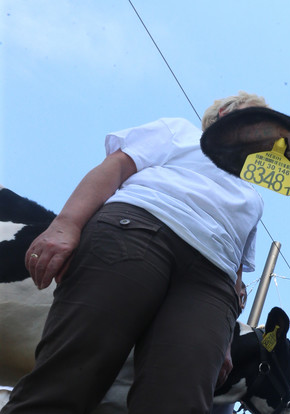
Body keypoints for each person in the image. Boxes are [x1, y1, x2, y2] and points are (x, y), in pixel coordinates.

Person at [1, 91, 269, 414]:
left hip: (213, 284)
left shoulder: (254, 198)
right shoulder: (181, 133)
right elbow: (115, 168)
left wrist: (225, 340)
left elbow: (238, 271)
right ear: (225, 113)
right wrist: (66, 224)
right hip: (140, 230)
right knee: (69, 376)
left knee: (180, 403)